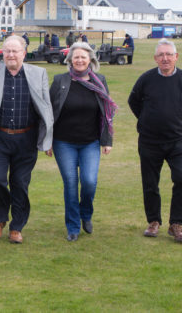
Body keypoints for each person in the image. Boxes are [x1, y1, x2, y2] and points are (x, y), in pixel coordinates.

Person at [0, 35, 54, 244]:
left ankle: (17, 226)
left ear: (24, 53)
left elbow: (46, 108)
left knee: (20, 183)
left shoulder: (39, 73)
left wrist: (48, 138)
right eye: (6, 51)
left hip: (27, 139)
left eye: (15, 51)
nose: (10, 55)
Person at [128, 38, 182, 243]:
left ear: (176, 57)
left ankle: (176, 224)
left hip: (177, 141)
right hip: (149, 141)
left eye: (169, 54)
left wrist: (178, 121)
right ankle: (153, 222)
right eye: (161, 55)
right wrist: (148, 120)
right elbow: (134, 102)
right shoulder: (146, 79)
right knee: (150, 183)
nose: (165, 58)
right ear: (155, 58)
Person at [50, 42, 117, 242]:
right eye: (76, 57)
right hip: (64, 142)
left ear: (91, 60)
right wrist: (46, 141)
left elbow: (106, 113)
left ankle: (85, 214)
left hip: (90, 142)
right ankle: (73, 226)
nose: (79, 60)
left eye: (83, 57)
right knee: (70, 183)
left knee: (89, 182)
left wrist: (107, 140)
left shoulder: (100, 81)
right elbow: (49, 111)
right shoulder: (60, 81)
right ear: (69, 60)